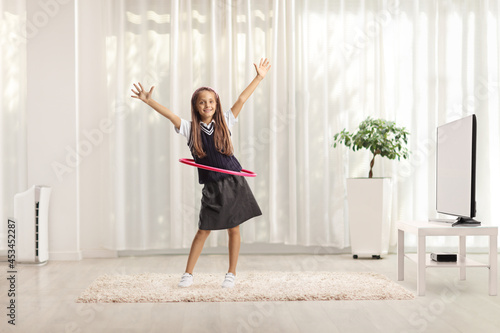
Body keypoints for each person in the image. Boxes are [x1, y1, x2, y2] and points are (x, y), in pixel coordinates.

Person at [131, 58, 271, 288]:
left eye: (211, 101)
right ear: (196, 106)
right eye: (202, 102)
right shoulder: (188, 128)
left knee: (234, 229)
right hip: (212, 186)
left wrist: (259, 77)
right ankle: (188, 274)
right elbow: (169, 115)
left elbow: (242, 99)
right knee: (203, 230)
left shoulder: (226, 121)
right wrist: (149, 102)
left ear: (216, 103)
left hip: (234, 181)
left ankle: (231, 273)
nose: (207, 105)